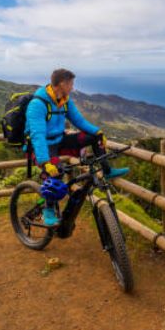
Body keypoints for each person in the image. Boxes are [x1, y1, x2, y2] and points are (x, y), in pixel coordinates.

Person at [25, 68, 128, 225]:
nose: (73, 87)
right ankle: (48, 209)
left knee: (94, 137)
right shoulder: (37, 104)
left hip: (59, 139)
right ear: (61, 84)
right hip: (43, 145)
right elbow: (37, 135)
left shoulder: (65, 101)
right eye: (71, 84)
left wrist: (98, 132)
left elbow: (79, 121)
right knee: (56, 172)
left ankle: (107, 171)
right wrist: (45, 162)